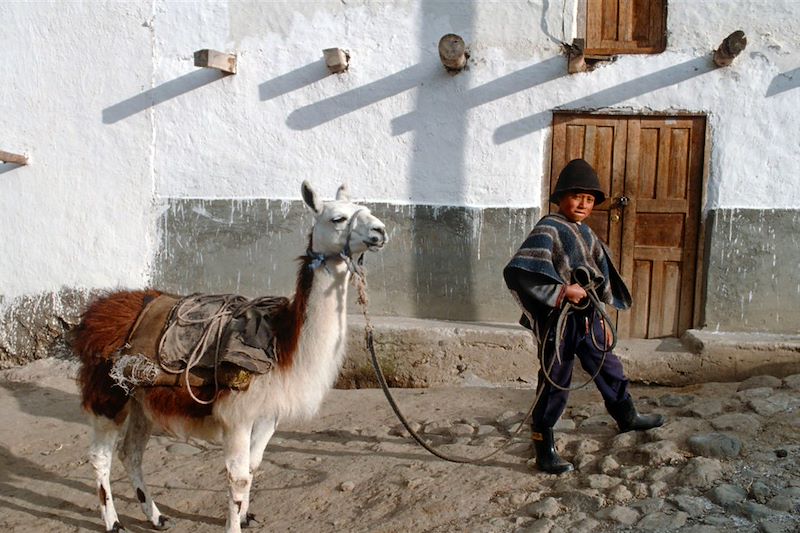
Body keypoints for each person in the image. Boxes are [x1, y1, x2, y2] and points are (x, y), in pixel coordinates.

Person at [503, 158, 665, 475]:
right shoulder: (547, 228)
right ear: (561, 197)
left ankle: (626, 416)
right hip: (557, 322)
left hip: (587, 318)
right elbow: (522, 271)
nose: (583, 204)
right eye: (577, 196)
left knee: (609, 366)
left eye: (589, 200)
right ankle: (543, 442)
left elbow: (597, 280)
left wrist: (601, 318)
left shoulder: (587, 234)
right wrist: (562, 291)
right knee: (555, 381)